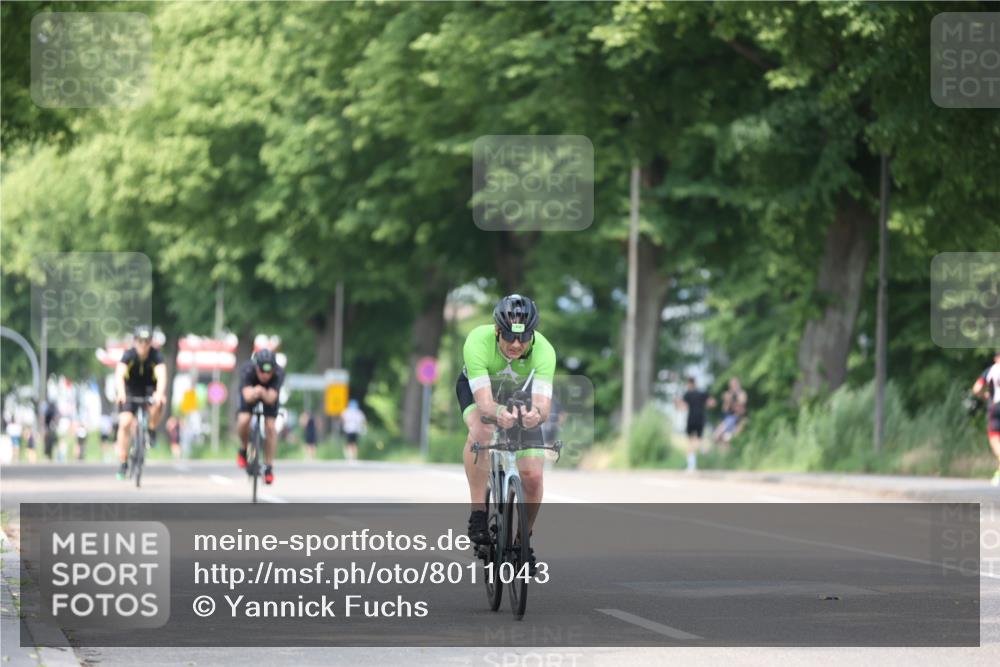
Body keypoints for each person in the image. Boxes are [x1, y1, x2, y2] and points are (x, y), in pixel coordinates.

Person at [456, 294, 555, 570]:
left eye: (523, 339)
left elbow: (543, 405)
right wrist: (498, 413)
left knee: (533, 475)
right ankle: (478, 513)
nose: (515, 344)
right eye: (509, 337)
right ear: (497, 330)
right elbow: (485, 403)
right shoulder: (477, 341)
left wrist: (536, 414)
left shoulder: (545, 351)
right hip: (482, 391)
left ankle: (524, 542)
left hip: (521, 397)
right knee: (482, 430)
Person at [114, 325, 167, 480]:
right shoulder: (128, 355)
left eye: (146, 341)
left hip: (150, 389)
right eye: (140, 341)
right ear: (135, 341)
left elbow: (162, 375)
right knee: (125, 422)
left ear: (151, 342)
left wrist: (160, 393)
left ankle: (150, 429)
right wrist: (121, 392)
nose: (143, 344)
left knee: (159, 403)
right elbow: (119, 374)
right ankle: (123, 461)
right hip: (130, 390)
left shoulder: (156, 356)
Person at [235, 348, 284, 484]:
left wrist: (262, 392)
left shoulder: (279, 374)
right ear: (256, 367)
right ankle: (243, 449)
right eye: (262, 370)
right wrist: (256, 391)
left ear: (274, 369)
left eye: (269, 371)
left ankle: (268, 467)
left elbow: (271, 398)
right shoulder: (247, 370)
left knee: (270, 426)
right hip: (250, 393)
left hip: (269, 395)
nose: (265, 375)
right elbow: (246, 396)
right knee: (244, 419)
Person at [971, 350, 1000, 487]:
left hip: (995, 407)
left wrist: (985, 395)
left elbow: (976, 388)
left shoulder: (990, 371)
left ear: (996, 358)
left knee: (995, 439)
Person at [675, 377, 716, 472]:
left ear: (689, 384)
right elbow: (712, 403)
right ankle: (701, 447)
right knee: (699, 439)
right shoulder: (702, 393)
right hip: (701, 419)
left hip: (691, 419)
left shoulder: (687, 394)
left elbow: (683, 407)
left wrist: (677, 402)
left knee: (690, 442)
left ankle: (691, 465)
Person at [713, 376, 748, 445]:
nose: (733, 386)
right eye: (732, 384)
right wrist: (728, 401)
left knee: (729, 438)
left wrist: (732, 402)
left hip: (738, 419)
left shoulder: (742, 394)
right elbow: (725, 410)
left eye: (735, 384)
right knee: (717, 436)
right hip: (728, 419)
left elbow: (742, 408)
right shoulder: (728, 394)